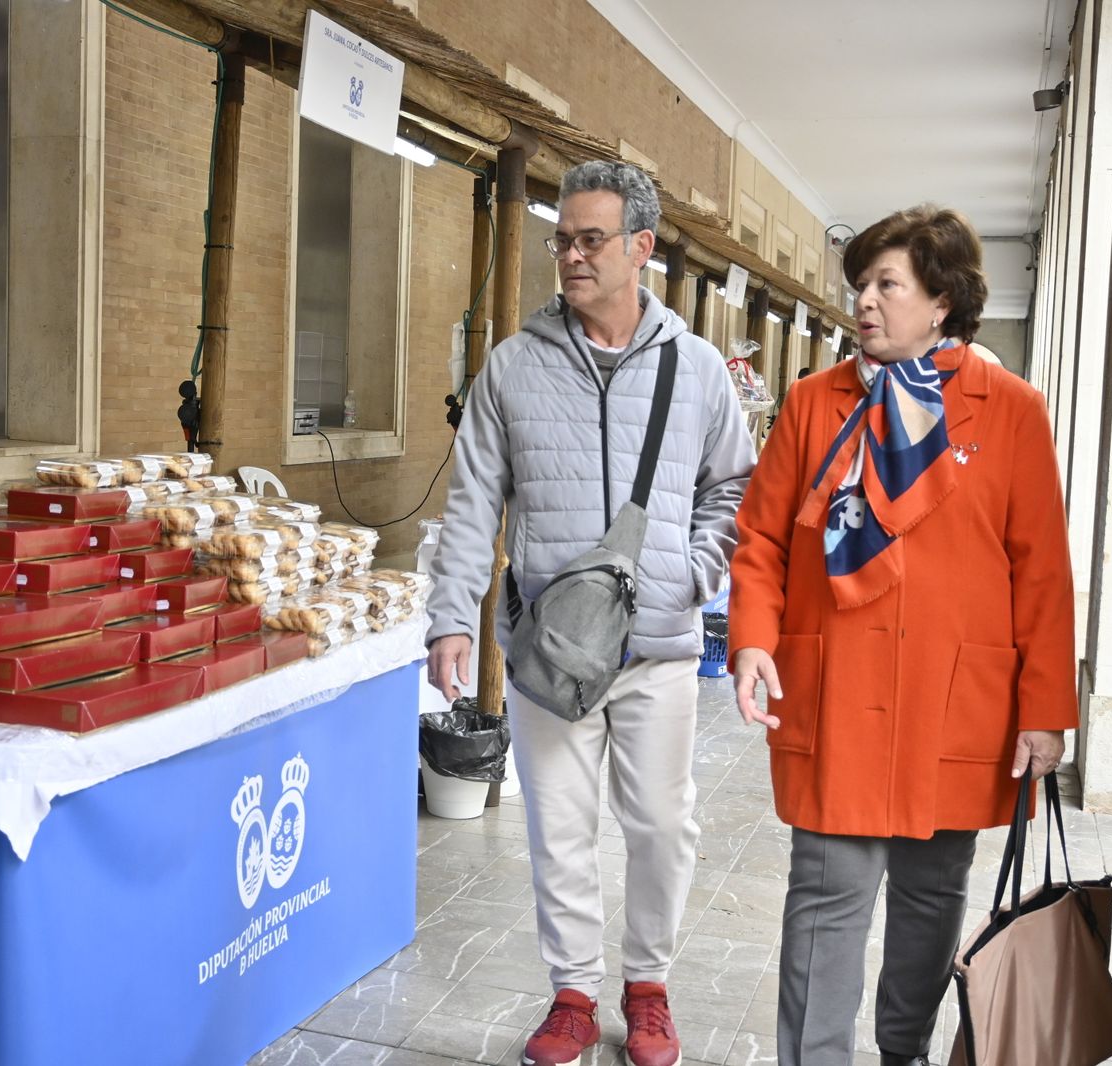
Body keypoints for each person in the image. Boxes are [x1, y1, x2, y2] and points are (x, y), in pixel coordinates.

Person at [728, 205, 1077, 1066]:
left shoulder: (1011, 411)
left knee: (931, 898)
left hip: (952, 700)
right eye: (861, 285)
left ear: (942, 299)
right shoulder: (814, 403)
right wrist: (753, 640)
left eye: (888, 284)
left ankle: (903, 1051)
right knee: (825, 897)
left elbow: (1040, 571)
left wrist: (1045, 710)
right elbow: (762, 537)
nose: (865, 302)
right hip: (836, 691)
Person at [426, 160, 755, 1066]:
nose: (571, 255)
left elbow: (734, 486)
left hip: (656, 648)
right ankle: (572, 993)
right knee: (560, 829)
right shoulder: (514, 367)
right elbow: (473, 501)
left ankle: (648, 989)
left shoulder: (694, 369)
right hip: (549, 648)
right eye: (562, 239)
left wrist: (691, 573)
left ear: (640, 248)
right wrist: (451, 616)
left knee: (662, 828)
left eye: (590, 239)